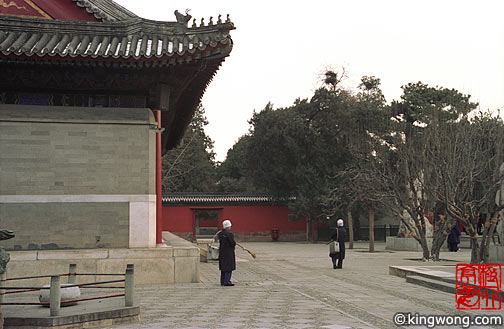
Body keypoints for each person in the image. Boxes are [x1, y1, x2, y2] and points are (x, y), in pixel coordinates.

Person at [218, 219, 236, 286]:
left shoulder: (220, 233)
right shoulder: (230, 234)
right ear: (228, 226)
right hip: (228, 252)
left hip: (222, 252)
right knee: (229, 267)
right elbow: (232, 243)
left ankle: (222, 281)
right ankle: (227, 281)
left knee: (223, 267)